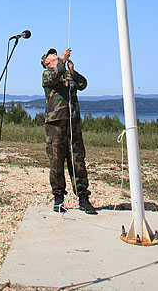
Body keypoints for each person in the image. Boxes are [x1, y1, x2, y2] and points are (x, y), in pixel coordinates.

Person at [41, 46, 97, 214]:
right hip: (56, 123)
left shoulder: (66, 73)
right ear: (46, 62)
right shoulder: (47, 74)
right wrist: (63, 61)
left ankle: (83, 198)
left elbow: (83, 84)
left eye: (55, 53)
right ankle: (58, 198)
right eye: (51, 54)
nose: (55, 54)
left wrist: (73, 72)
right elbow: (54, 78)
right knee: (57, 161)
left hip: (73, 122)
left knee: (77, 159)